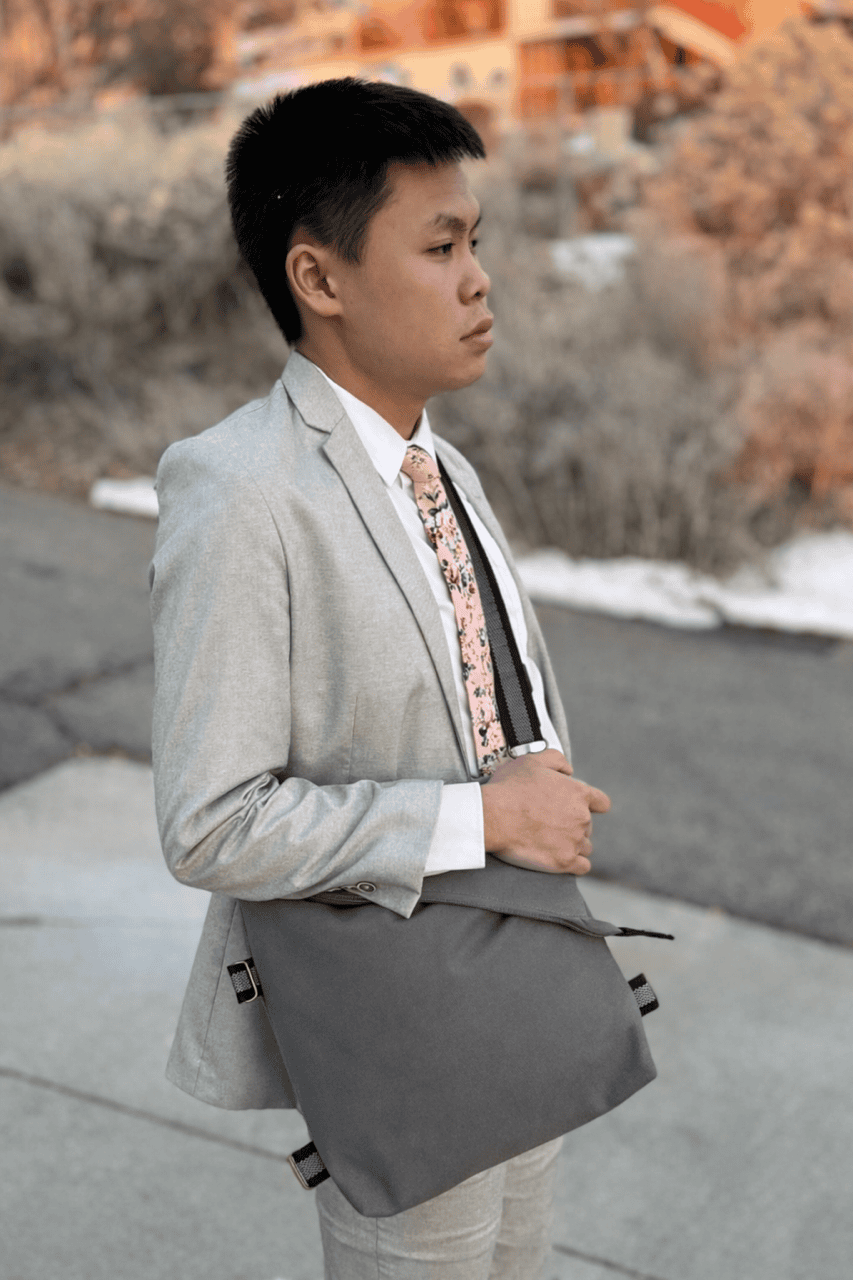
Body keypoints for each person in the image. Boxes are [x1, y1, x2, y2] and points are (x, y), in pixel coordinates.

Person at [149, 77, 612, 1279]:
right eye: (440, 244)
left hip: (512, 982)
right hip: (390, 1022)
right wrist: (484, 814)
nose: (477, 278)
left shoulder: (440, 461)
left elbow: (475, 689)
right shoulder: (242, 487)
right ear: (319, 278)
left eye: (477, 243)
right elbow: (212, 822)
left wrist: (529, 765)